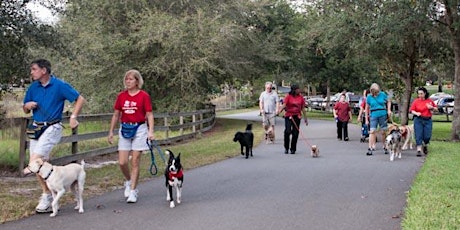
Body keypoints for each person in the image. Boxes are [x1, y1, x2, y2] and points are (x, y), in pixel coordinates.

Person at [23, 59, 85, 213]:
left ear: (44, 70)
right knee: (40, 164)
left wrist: (73, 117)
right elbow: (25, 109)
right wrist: (27, 106)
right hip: (36, 127)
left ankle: (47, 195)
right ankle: (53, 190)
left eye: (34, 69)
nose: (31, 72)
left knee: (34, 162)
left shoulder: (59, 85)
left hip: (52, 127)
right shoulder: (33, 87)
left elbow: (79, 99)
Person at [108, 69, 155, 203]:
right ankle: (128, 180)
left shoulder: (144, 96)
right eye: (126, 79)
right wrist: (111, 131)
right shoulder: (121, 96)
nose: (128, 81)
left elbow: (150, 114)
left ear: (137, 81)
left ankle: (133, 191)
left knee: (135, 161)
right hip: (125, 128)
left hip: (139, 128)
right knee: (122, 162)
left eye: (131, 79)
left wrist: (150, 131)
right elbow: (116, 114)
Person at [277, 84, 308, 154]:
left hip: (297, 116)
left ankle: (293, 148)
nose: (299, 90)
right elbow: (284, 105)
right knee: (287, 131)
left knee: (295, 133)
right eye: (298, 89)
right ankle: (286, 147)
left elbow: (303, 108)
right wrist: (279, 111)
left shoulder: (301, 98)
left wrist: (305, 118)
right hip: (288, 116)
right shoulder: (288, 97)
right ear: (294, 90)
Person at [364, 83, 392, 156]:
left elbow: (389, 101)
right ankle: (370, 148)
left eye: (377, 91)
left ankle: (385, 146)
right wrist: (366, 119)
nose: (376, 93)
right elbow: (366, 108)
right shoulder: (369, 97)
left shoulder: (382, 94)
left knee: (383, 131)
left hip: (383, 114)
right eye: (375, 92)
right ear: (372, 91)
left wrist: (389, 110)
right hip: (373, 115)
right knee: (372, 131)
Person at [409, 87, 437, 157]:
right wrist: (416, 113)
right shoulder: (416, 101)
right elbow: (412, 110)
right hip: (418, 119)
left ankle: (425, 144)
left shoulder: (429, 101)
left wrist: (432, 108)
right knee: (418, 134)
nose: (420, 95)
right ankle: (418, 149)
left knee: (427, 136)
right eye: (419, 94)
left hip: (427, 119)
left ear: (425, 93)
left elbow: (436, 109)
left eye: (421, 94)